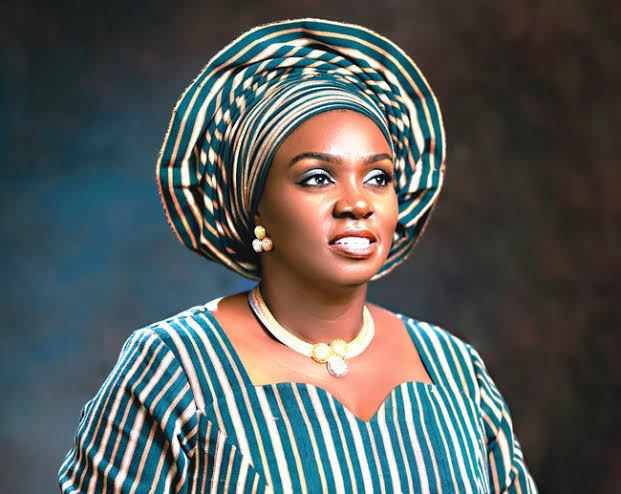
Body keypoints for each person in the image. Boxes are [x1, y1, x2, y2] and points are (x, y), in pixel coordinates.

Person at [58, 18, 537, 493]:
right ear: (255, 205)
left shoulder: (454, 368)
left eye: (379, 178)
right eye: (317, 178)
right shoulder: (174, 368)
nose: (358, 203)